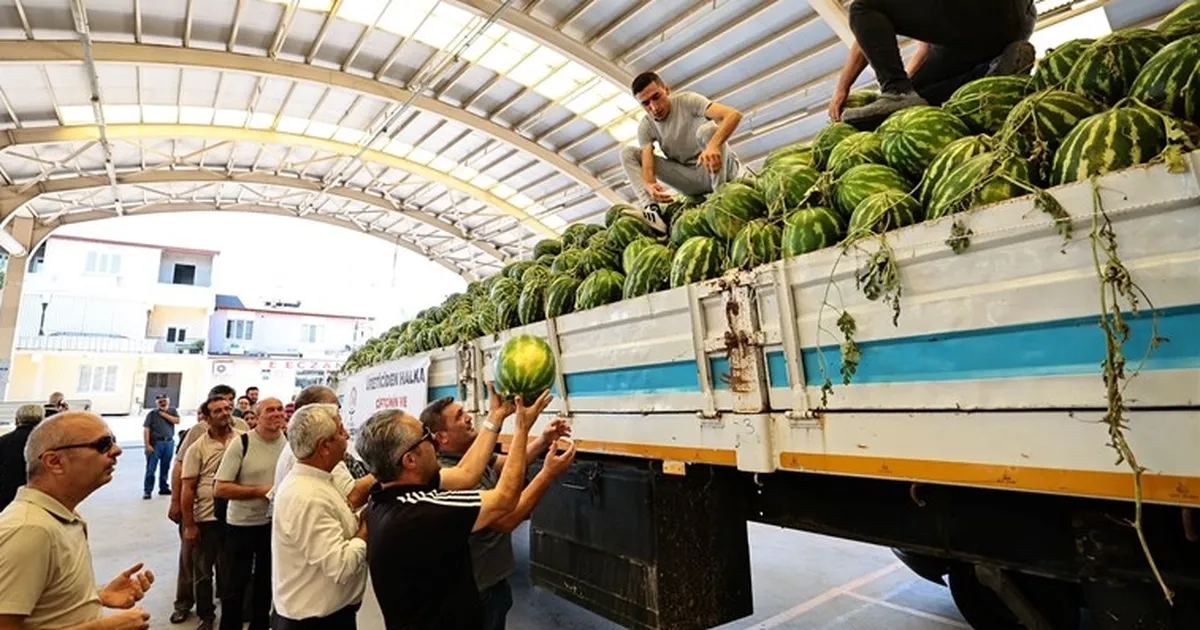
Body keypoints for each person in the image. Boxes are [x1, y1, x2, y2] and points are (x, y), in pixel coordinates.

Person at [357, 389, 551, 628]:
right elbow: (504, 500)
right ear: (410, 460)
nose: (433, 441)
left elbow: (465, 474)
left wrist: (496, 417)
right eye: (425, 436)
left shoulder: (383, 496)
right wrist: (522, 429)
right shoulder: (423, 512)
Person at [421, 394, 576, 629]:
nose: (469, 419)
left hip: (492, 584)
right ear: (441, 437)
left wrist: (543, 439)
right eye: (459, 417)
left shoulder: (472, 456)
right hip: (477, 591)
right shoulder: (449, 475)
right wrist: (546, 474)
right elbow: (506, 519)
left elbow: (511, 464)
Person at [0, 411, 154, 629]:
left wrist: (96, 595)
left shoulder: (65, 517)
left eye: (114, 442)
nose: (117, 451)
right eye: (103, 444)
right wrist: (104, 627)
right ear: (54, 462)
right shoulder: (30, 530)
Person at [830, 0, 1036, 124]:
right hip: (1012, 26)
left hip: (981, 10)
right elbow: (925, 48)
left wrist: (842, 88)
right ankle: (991, 71)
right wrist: (908, 88)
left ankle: (896, 92)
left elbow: (865, 25)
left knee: (862, 8)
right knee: (918, 100)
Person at [271, 404, 368, 629]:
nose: (346, 436)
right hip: (313, 622)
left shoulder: (320, 481)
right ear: (324, 447)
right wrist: (365, 529)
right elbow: (341, 565)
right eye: (340, 432)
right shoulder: (307, 497)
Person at [618, 71, 743, 233]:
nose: (654, 107)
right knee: (627, 152)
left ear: (666, 90)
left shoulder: (688, 101)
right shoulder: (646, 126)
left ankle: (721, 199)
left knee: (708, 130)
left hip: (722, 171)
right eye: (646, 103)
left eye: (656, 97)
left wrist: (713, 146)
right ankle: (652, 212)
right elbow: (648, 168)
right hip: (690, 180)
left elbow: (733, 115)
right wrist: (649, 186)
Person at [168, 385, 246, 624]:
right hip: (205, 515)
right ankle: (200, 613)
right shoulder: (196, 441)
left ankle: (232, 613)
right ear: (207, 415)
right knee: (198, 569)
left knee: (230, 567)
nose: (225, 413)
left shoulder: (242, 434)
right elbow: (185, 477)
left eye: (228, 407)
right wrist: (183, 514)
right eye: (219, 409)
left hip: (234, 515)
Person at [213, 398, 286, 630]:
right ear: (256, 416)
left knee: (266, 585)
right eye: (270, 410)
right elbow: (221, 488)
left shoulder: (290, 446)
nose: (276, 413)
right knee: (235, 586)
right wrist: (261, 491)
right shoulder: (241, 444)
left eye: (280, 409)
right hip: (241, 526)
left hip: (273, 526)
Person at [273, 386, 373, 509]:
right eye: (335, 408)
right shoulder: (318, 453)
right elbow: (351, 497)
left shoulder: (301, 445)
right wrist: (386, 470)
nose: (346, 436)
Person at [0, 404, 45, 512]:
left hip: (6, 497)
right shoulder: (48, 443)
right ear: (42, 419)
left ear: (17, 419)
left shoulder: (3, 441)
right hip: (38, 498)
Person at [142, 395, 179, 500]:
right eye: (160, 402)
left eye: (165, 401)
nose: (163, 403)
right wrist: (147, 445)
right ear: (156, 403)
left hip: (169, 442)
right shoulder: (152, 414)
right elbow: (146, 429)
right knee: (151, 468)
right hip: (155, 443)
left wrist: (163, 414)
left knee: (165, 467)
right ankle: (147, 491)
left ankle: (164, 488)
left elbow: (177, 421)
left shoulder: (172, 411)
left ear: (168, 401)